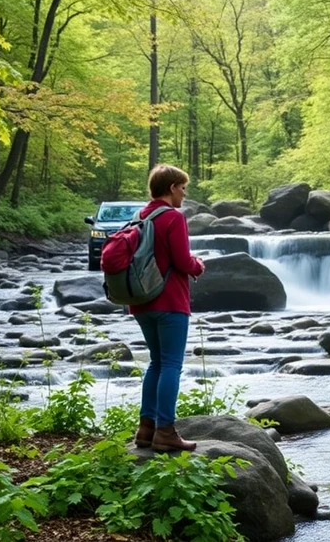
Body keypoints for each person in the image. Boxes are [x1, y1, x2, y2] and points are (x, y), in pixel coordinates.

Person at [131, 164, 205, 452]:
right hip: (170, 300)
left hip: (141, 301)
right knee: (171, 364)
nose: (184, 194)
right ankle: (166, 431)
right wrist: (198, 265)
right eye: (183, 188)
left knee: (156, 362)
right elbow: (183, 261)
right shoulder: (173, 217)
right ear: (172, 187)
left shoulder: (140, 215)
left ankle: (145, 429)